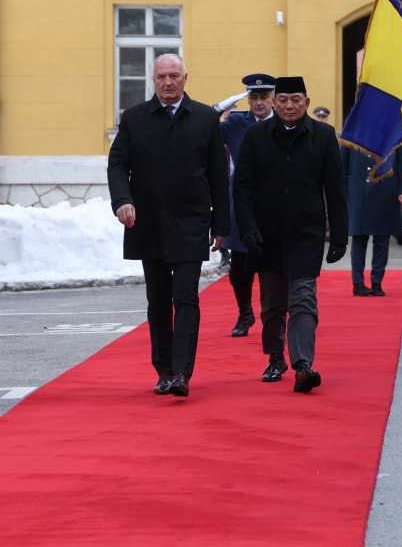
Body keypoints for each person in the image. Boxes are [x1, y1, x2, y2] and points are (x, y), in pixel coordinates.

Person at [107, 53, 229, 398]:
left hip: (192, 221)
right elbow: (117, 164)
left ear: (185, 78)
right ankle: (163, 370)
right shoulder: (135, 118)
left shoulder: (205, 118)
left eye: (174, 76)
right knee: (158, 301)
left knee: (186, 296)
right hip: (149, 223)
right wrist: (122, 200)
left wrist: (221, 225)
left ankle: (181, 373)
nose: (168, 82)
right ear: (154, 80)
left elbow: (219, 176)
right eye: (162, 77)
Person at [233, 76, 348, 391]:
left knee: (303, 298)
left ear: (306, 103)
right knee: (272, 303)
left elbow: (335, 189)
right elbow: (242, 188)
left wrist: (340, 236)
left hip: (306, 233)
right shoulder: (256, 137)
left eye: (296, 100)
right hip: (266, 234)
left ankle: (303, 364)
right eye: (283, 100)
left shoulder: (323, 136)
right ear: (274, 102)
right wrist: (247, 228)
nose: (289, 106)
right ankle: (275, 357)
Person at [213, 73, 276, 337]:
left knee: (273, 266)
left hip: (275, 202)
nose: (259, 102)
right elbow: (205, 127)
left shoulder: (284, 122)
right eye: (254, 97)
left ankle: (273, 314)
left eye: (264, 97)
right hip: (242, 202)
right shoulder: (237, 123)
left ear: (273, 98)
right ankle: (245, 312)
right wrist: (220, 107)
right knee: (240, 268)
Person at [339, 143, 402, 296]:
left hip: (386, 188)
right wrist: (343, 189)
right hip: (359, 189)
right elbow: (342, 161)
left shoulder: (397, 129)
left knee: (382, 238)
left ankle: (377, 282)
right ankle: (358, 283)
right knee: (359, 237)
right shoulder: (353, 128)